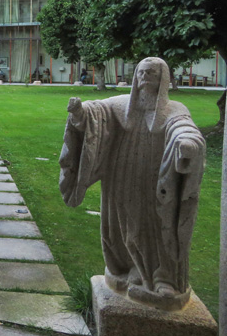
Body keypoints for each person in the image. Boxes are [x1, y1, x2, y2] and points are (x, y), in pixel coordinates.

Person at [59, 57, 205, 311]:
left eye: (152, 73)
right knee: (121, 222)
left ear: (163, 79)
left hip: (156, 179)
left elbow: (184, 129)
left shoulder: (174, 109)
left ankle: (162, 278)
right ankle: (124, 267)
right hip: (121, 176)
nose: (145, 77)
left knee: (156, 224)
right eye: (142, 72)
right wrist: (80, 113)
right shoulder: (121, 105)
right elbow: (97, 114)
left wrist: (187, 144)